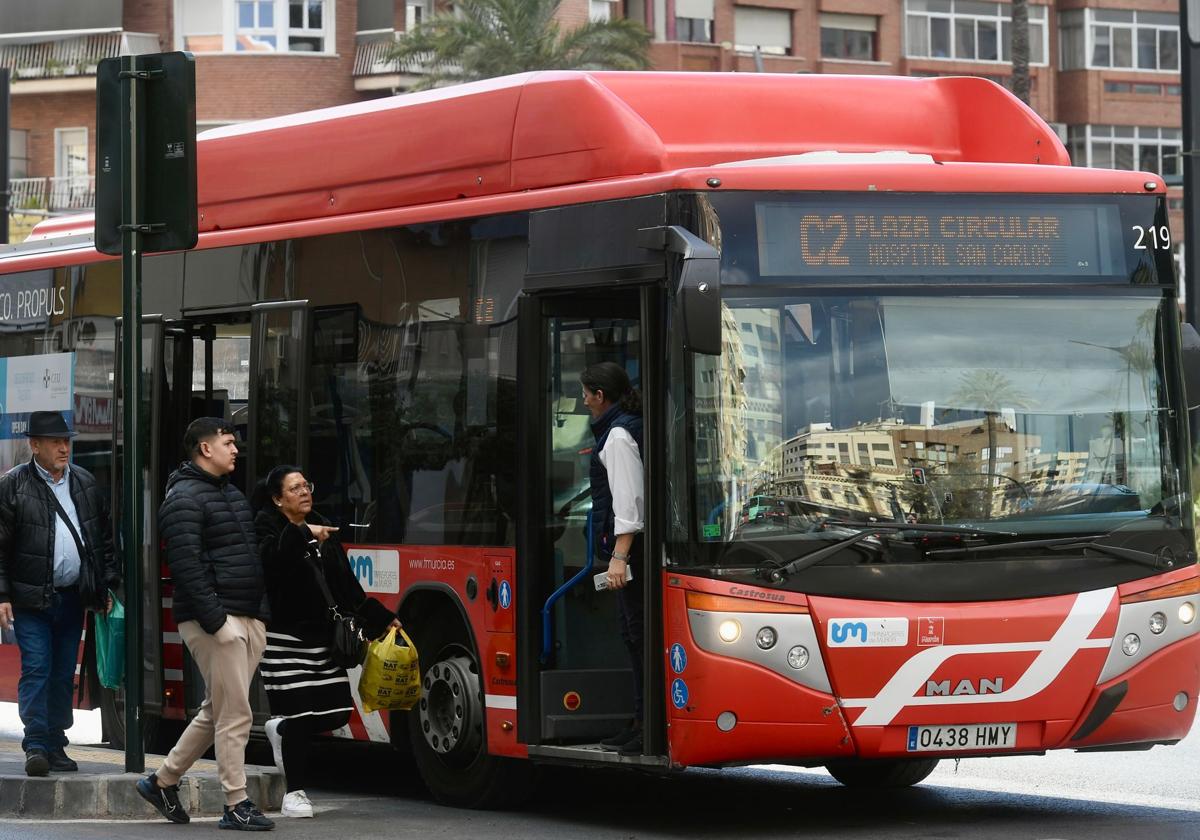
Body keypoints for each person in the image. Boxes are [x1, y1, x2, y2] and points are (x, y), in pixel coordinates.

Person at [135, 417, 274, 831]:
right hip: (215, 620)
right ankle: (235, 803)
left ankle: (162, 781)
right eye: (228, 442)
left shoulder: (228, 493)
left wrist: (258, 615)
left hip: (245, 616)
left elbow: (249, 558)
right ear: (204, 448)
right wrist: (218, 623)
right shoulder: (182, 499)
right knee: (236, 714)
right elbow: (186, 568)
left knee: (218, 711)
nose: (236, 449)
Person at [253, 465, 398, 818]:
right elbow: (270, 565)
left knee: (336, 711)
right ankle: (295, 793)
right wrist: (303, 533)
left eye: (306, 485)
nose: (304, 491)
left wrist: (381, 618)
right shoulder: (265, 527)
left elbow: (346, 586)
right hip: (282, 636)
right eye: (295, 488)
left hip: (323, 637)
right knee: (301, 714)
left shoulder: (322, 527)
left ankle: (281, 729)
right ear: (277, 498)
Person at [0, 411, 118, 777]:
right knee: (37, 667)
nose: (64, 447)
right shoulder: (13, 485)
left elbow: (103, 541)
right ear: (34, 446)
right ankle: (36, 743)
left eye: (66, 441)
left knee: (64, 671)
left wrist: (105, 586)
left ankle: (55, 742)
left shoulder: (83, 481)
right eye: (56, 442)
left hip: (71, 596)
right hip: (31, 597)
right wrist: (2, 594)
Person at [580, 362, 646, 757]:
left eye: (587, 393)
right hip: (628, 553)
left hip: (629, 554)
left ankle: (644, 723)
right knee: (632, 636)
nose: (584, 401)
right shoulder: (625, 425)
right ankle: (639, 720)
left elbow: (628, 503)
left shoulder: (619, 435)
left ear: (601, 395)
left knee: (637, 638)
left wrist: (618, 558)